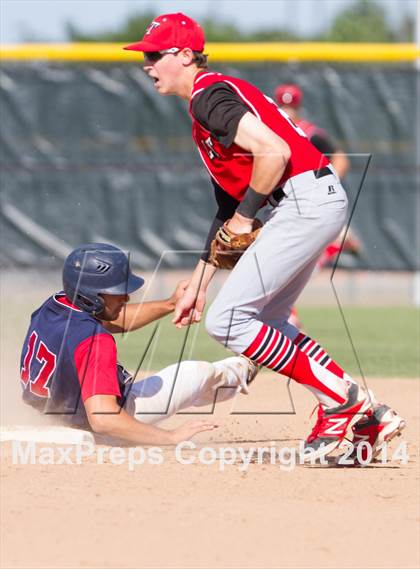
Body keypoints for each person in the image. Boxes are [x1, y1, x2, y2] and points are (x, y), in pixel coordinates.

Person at [123, 13, 405, 460]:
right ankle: (364, 413)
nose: (147, 64)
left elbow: (274, 152)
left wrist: (248, 217)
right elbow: (225, 208)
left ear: (184, 55)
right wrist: (198, 282)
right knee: (265, 320)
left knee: (228, 321)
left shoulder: (207, 95)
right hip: (309, 200)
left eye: (155, 55)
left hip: (303, 200)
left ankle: (342, 402)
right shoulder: (206, 109)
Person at [20, 243, 257, 446]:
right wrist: (171, 437)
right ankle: (247, 365)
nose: (126, 297)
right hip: (100, 421)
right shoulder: (95, 340)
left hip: (47, 412)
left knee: (196, 382)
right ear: (91, 297)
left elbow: (114, 317)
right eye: (116, 291)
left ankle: (227, 380)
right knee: (196, 374)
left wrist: (170, 303)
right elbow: (104, 419)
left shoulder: (56, 305)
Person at [275, 83, 361, 328]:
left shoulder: (310, 133)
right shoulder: (271, 129)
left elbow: (341, 159)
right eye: (283, 104)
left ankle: (288, 315)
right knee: (286, 263)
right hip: (286, 203)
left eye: (290, 105)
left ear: (298, 106)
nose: (287, 110)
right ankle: (288, 314)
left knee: (291, 263)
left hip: (308, 205)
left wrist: (322, 185)